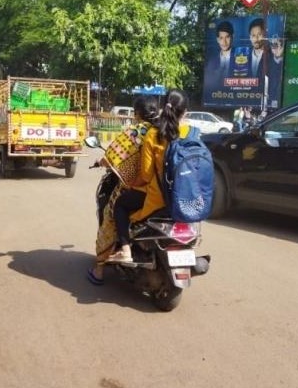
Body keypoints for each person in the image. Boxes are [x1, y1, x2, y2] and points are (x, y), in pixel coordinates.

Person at [108, 89, 192, 264]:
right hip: (187, 198)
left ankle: (125, 249)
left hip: (158, 198)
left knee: (120, 204)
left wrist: (130, 182)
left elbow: (146, 176)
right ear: (185, 112)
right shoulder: (192, 133)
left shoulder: (153, 135)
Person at [87, 96, 159, 285]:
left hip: (138, 190)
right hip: (160, 192)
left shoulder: (136, 131)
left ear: (136, 114)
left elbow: (113, 155)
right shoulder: (162, 130)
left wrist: (101, 162)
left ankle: (100, 269)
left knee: (110, 215)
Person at [207, 20, 235, 90]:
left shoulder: (241, 57)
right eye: (221, 38)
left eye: (227, 37)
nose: (224, 42)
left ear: (233, 37)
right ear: (217, 40)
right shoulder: (211, 61)